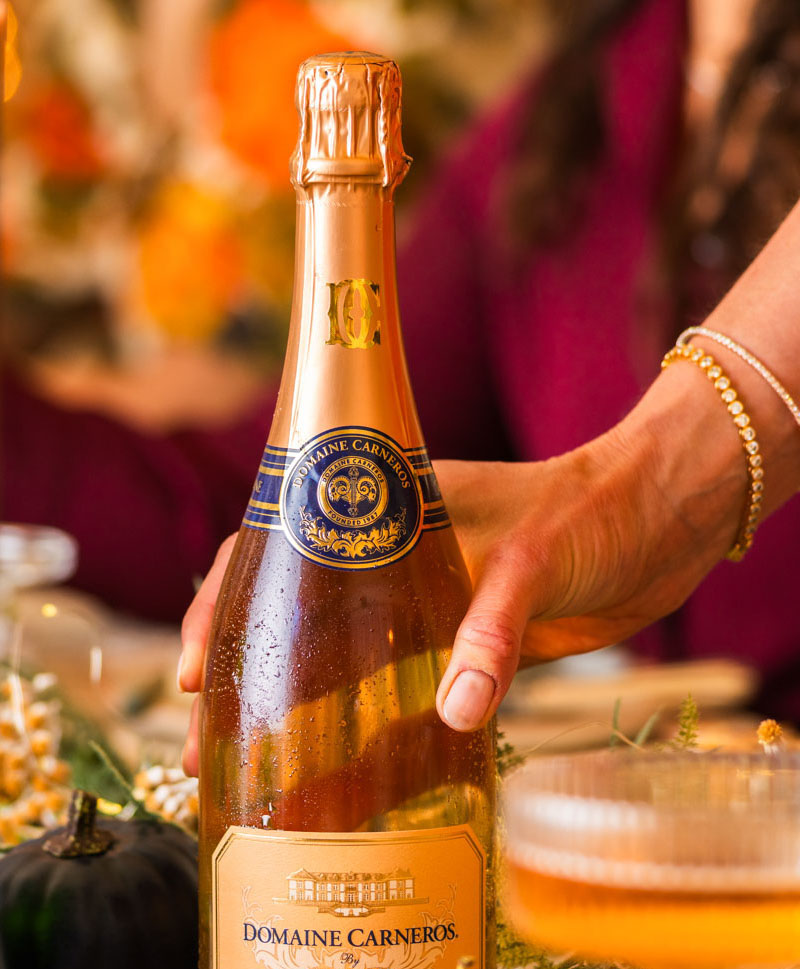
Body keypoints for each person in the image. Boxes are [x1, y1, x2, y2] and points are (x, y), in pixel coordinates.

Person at [4, 0, 800, 717]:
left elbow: (644, 498)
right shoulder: (572, 112)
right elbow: (292, 514)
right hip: (660, 841)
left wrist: (653, 482)